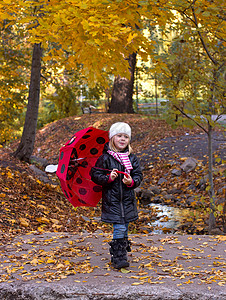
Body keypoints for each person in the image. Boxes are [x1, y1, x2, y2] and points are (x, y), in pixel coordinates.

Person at [91, 122, 143, 269]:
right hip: (112, 201)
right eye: (119, 135)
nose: (122, 139)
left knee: (125, 227)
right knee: (119, 227)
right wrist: (109, 177)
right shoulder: (105, 158)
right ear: (112, 138)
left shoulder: (131, 158)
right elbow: (95, 174)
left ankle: (121, 250)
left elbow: (138, 175)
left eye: (126, 137)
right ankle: (118, 256)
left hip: (127, 201)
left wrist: (131, 181)